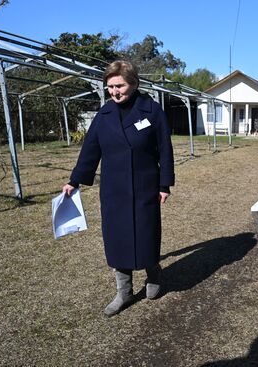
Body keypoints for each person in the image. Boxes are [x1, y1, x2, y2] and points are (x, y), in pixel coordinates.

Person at [62, 60, 175, 317]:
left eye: (120, 85)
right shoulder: (103, 116)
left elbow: (165, 151)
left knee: (146, 233)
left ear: (133, 83)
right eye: (110, 87)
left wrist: (164, 183)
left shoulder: (152, 111)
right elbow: (90, 151)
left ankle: (153, 273)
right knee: (117, 239)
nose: (114, 91)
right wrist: (74, 180)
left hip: (146, 187)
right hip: (114, 190)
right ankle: (123, 291)